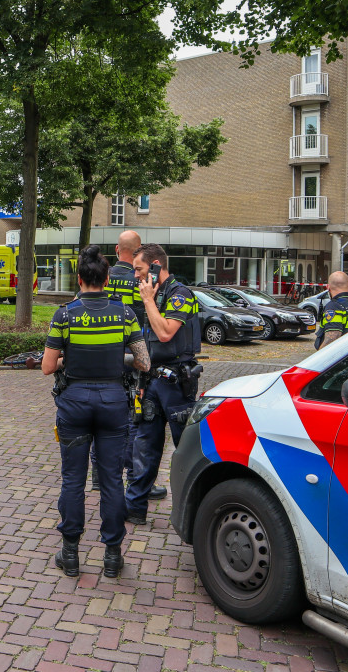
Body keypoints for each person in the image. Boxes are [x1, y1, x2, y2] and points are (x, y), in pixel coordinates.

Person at [42, 245, 150, 579]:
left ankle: (71, 553)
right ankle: (113, 556)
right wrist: (117, 359)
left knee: (73, 479)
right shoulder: (124, 314)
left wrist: (70, 359)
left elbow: (48, 367)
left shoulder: (64, 314)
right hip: (113, 404)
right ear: (106, 278)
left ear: (79, 278)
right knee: (111, 480)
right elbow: (144, 362)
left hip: (73, 403)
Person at [126, 243, 202, 526]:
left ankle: (194, 513)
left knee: (186, 448)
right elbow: (148, 341)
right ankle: (134, 507)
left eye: (139, 269)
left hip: (177, 384)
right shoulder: (153, 295)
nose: (136, 276)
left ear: (156, 265)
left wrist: (147, 301)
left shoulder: (179, 294)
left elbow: (167, 333)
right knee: (144, 445)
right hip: (152, 381)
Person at [88, 230, 145, 491]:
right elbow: (144, 323)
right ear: (138, 250)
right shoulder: (140, 281)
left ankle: (99, 477)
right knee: (132, 422)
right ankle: (133, 478)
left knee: (96, 421)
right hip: (131, 359)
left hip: (101, 357)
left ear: (116, 249)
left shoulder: (102, 277)